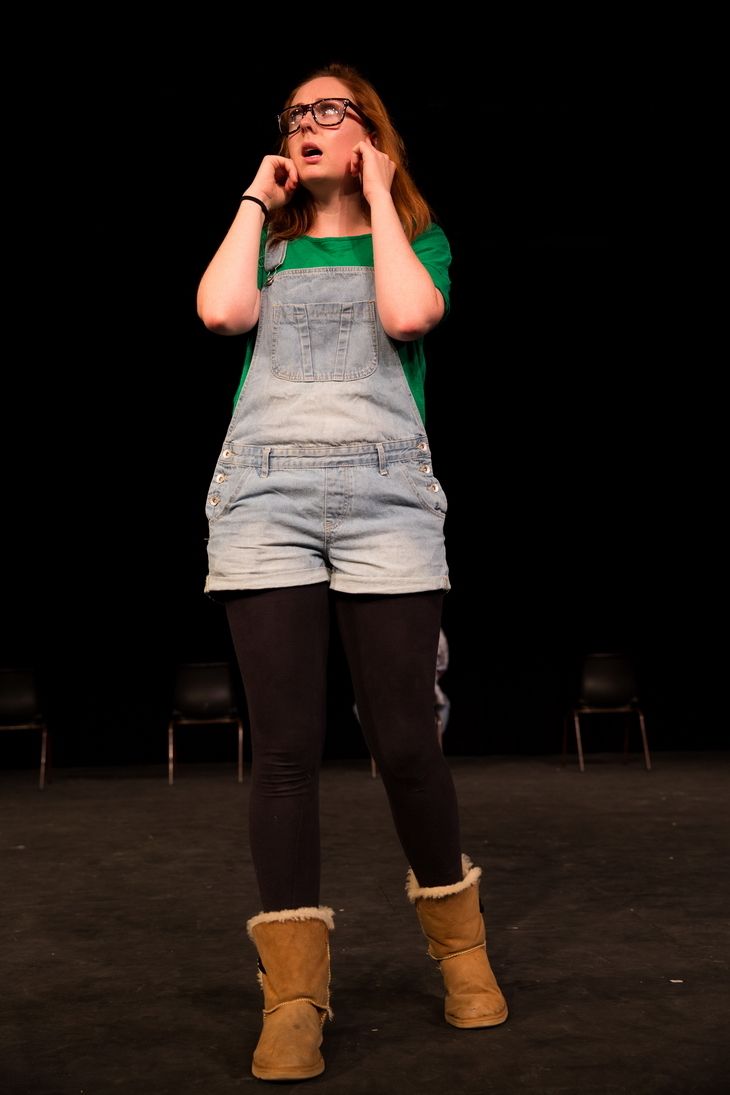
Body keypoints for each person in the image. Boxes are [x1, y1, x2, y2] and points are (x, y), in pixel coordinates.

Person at [196, 62, 507, 1082]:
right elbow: (219, 313)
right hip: (266, 498)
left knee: (406, 743)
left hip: (385, 499)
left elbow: (411, 319)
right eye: (298, 113)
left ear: (369, 129)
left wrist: (376, 192)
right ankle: (292, 996)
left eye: (333, 109)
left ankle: (461, 954)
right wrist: (256, 192)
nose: (311, 123)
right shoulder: (271, 247)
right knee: (283, 752)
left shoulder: (414, 240)